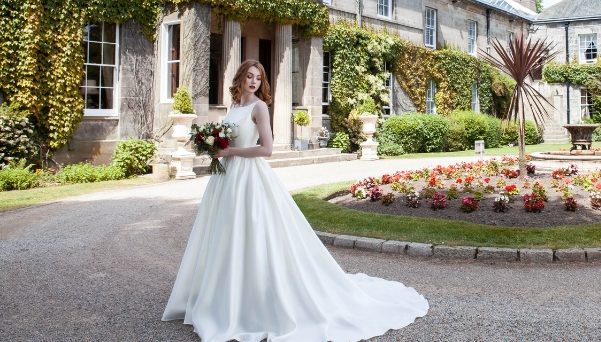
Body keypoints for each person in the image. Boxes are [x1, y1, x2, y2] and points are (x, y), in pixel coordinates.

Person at [162, 59, 428, 342]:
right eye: (249, 76)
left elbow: (266, 149)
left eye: (258, 77)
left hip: (248, 177)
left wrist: (229, 153)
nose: (253, 81)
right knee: (225, 234)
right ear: (239, 79)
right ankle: (224, 296)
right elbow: (230, 139)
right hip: (226, 180)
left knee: (253, 233)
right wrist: (216, 146)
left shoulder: (259, 107)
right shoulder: (235, 107)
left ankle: (255, 301)